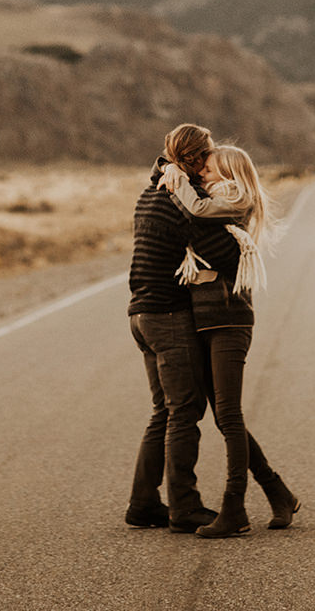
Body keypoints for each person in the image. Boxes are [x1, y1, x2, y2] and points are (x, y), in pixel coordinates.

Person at [160, 144, 301, 537]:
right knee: (224, 416)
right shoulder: (211, 201)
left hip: (228, 321)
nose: (202, 171)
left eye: (209, 166)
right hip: (202, 320)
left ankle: (234, 506)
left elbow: (195, 218)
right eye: (200, 166)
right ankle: (278, 492)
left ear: (229, 173)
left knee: (229, 413)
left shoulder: (232, 203)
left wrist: (176, 183)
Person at [126, 123, 218, 533]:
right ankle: (185, 507)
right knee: (185, 410)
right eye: (210, 156)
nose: (213, 162)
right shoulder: (182, 199)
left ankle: (144, 504)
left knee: (163, 410)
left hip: (139, 314)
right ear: (196, 159)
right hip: (168, 315)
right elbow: (217, 250)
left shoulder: (150, 193)